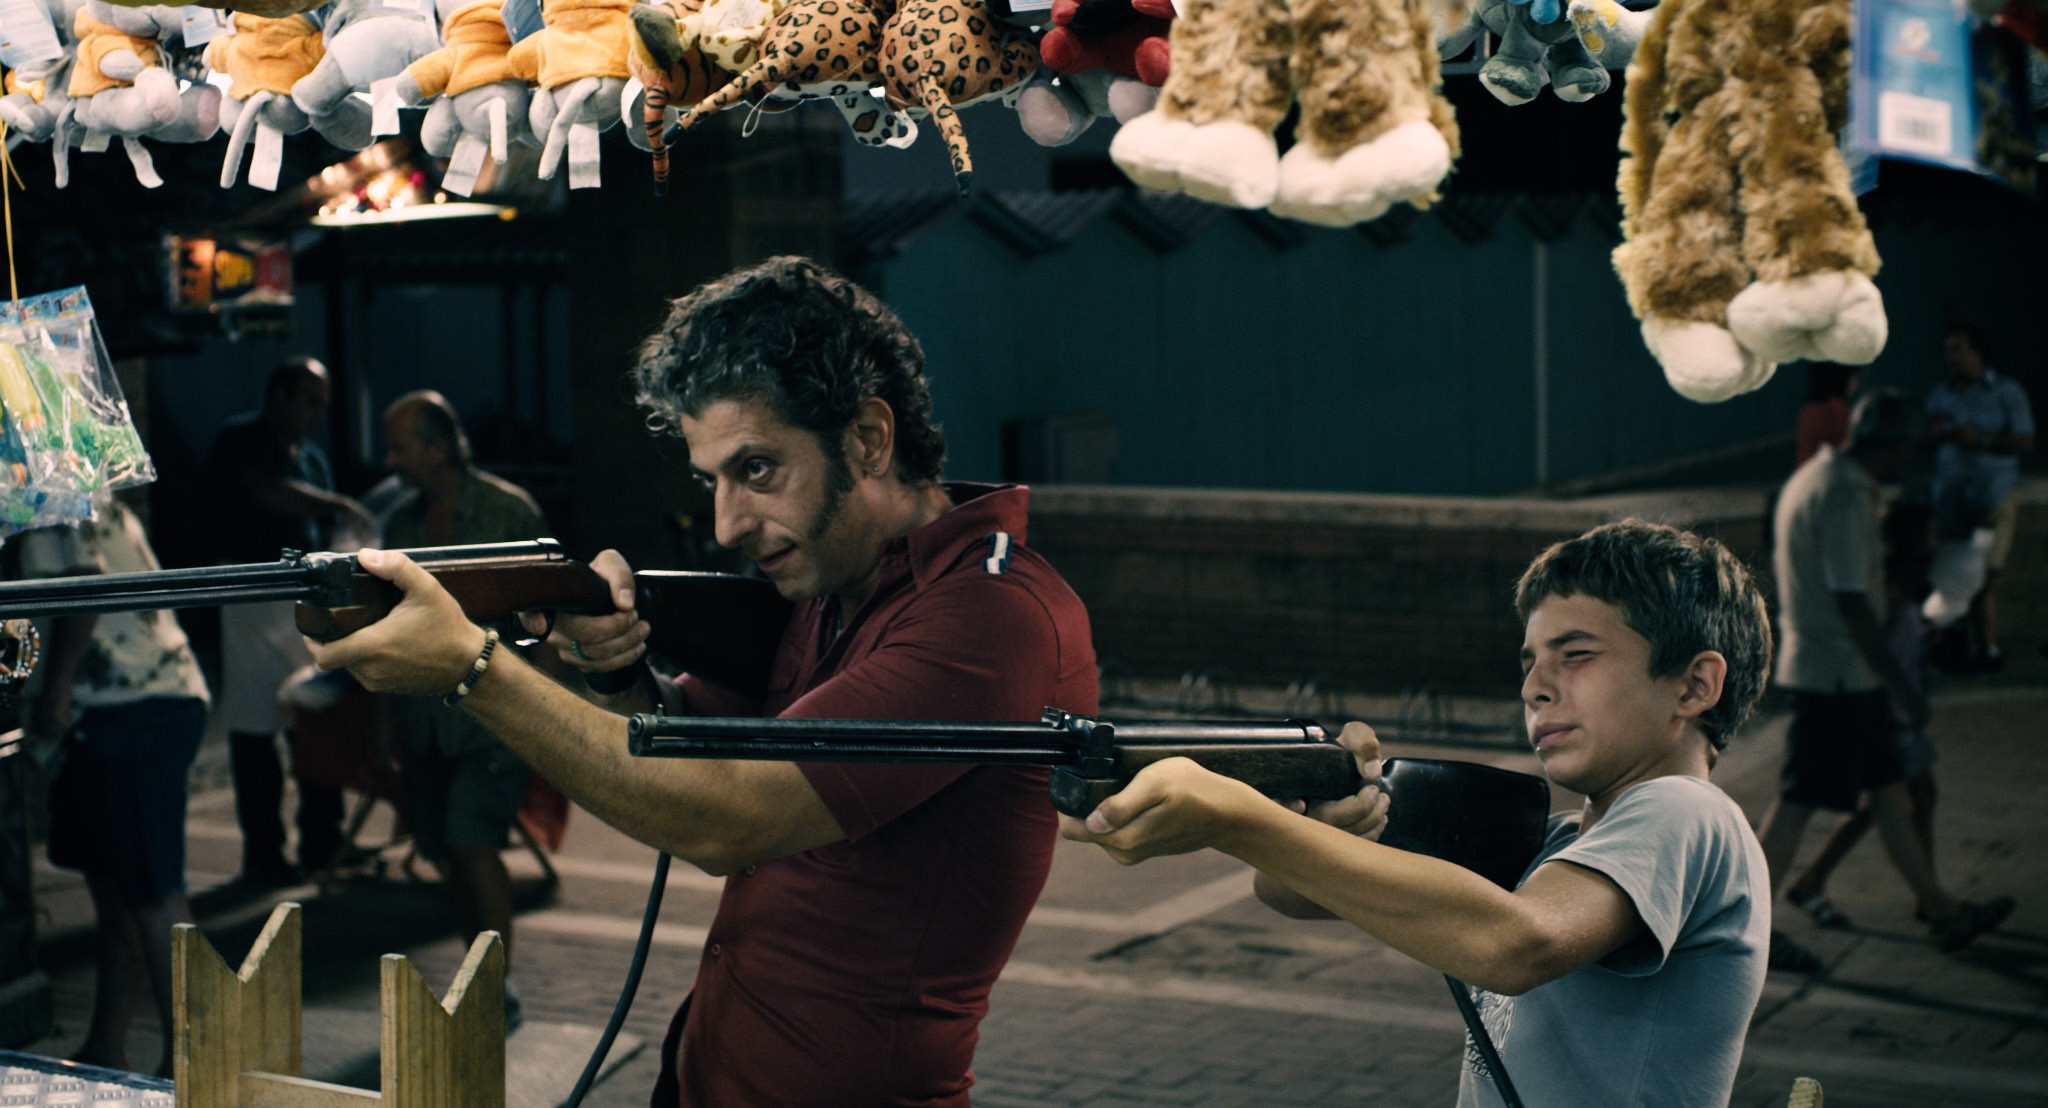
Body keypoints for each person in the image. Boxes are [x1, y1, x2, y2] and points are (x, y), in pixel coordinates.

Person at [306, 256, 1099, 1106]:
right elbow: (686, 742)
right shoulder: (832, 579)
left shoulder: (990, 614)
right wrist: (617, 668)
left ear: (869, 439)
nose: (726, 526)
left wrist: (473, 668)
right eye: (711, 480)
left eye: (757, 470)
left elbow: (725, 820)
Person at [1062, 519, 1774, 1108]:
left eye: (1576, 654)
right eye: (1529, 661)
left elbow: (1515, 943)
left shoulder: (1686, 810)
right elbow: (1289, 893)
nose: (1535, 686)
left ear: (1695, 685)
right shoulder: (1556, 846)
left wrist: (1238, 818)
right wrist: (1324, 824)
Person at [1758, 389, 2012, 969]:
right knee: (1799, 801)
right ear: (1893, 444)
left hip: (1837, 670)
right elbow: (1853, 600)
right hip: (1839, 674)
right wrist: (1898, 683)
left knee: (1890, 793)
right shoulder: (1844, 494)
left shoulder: (1814, 478)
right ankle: (1748, 930)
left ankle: (1940, 907)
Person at [17, 495, 211, 1077]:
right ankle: (106, 1044)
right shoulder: (95, 496)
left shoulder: (48, 498)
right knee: (118, 891)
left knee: (153, 891)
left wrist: (54, 691)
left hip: (131, 704)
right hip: (132, 701)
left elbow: (86, 581)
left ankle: (193, 1060)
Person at [377, 390, 551, 1003]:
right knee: (444, 851)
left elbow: (548, 616)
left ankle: (495, 986)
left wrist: (544, 713)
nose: (390, 460)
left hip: (493, 717)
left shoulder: (508, 512)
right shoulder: (399, 524)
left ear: (439, 447)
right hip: (424, 720)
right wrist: (386, 718)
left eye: (400, 446)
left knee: (472, 841)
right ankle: (478, 972)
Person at [204, 356, 376, 886]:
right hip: (252, 599)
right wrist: (337, 504)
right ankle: (264, 854)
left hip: (304, 605)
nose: (317, 414)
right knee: (256, 728)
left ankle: (322, 839)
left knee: (315, 715)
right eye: (309, 401)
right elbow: (269, 491)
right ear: (278, 396)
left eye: (323, 404)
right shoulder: (242, 439)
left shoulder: (314, 459)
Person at [1783, 502, 1941, 929]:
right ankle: (1932, 902)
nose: (1935, 542)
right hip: (1886, 709)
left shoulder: (1903, 582)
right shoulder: (1885, 584)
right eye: (1929, 534)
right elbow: (1873, 646)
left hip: (1888, 707)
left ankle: (1816, 881)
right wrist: (1904, 696)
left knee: (1894, 801)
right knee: (1909, 798)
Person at [1925, 324, 2034, 671]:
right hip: (1952, 499)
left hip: (1993, 499)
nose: (1950, 358)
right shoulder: (1941, 394)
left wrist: (1982, 440)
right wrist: (1932, 432)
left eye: (1957, 349)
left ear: (1977, 353)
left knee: (1983, 573)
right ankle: (1956, 647)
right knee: (1953, 574)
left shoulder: (2006, 392)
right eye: (1947, 350)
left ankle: (1987, 646)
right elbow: (1920, 442)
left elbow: (2025, 440)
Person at [1795, 362, 1859, 466]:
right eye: (1854, 376)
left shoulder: (1808, 409)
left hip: (1806, 472)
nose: (1856, 383)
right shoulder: (1838, 410)